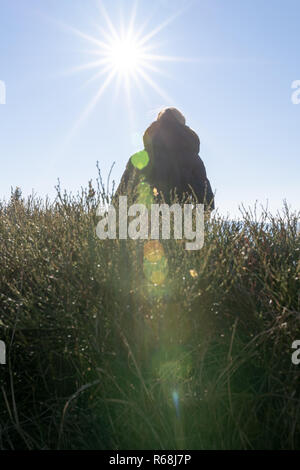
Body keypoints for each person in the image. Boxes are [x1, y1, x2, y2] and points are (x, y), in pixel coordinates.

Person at [115, 107, 215, 210]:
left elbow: (119, 200)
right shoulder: (193, 160)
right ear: (183, 127)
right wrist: (188, 223)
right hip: (179, 222)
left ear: (157, 125)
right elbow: (206, 203)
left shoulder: (139, 158)